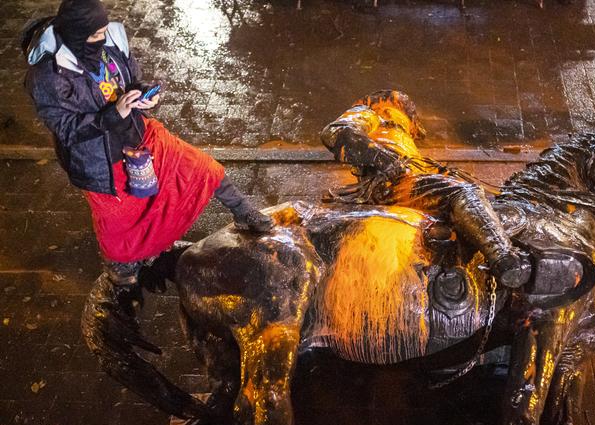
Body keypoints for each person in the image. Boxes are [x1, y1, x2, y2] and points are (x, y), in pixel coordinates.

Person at [22, 0, 272, 287]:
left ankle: (243, 211)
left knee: (200, 167)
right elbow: (66, 129)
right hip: (100, 161)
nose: (102, 39)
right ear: (76, 34)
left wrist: (141, 95)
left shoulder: (111, 44)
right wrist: (113, 115)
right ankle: (121, 266)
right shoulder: (49, 75)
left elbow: (131, 79)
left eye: (103, 31)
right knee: (120, 220)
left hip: (140, 135)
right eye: (94, 35)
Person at [321, 90, 532, 288]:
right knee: (461, 192)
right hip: (391, 182)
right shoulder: (372, 113)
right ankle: (503, 257)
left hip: (408, 177)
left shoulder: (403, 139)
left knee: (470, 196)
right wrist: (382, 159)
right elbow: (337, 132)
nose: (407, 125)